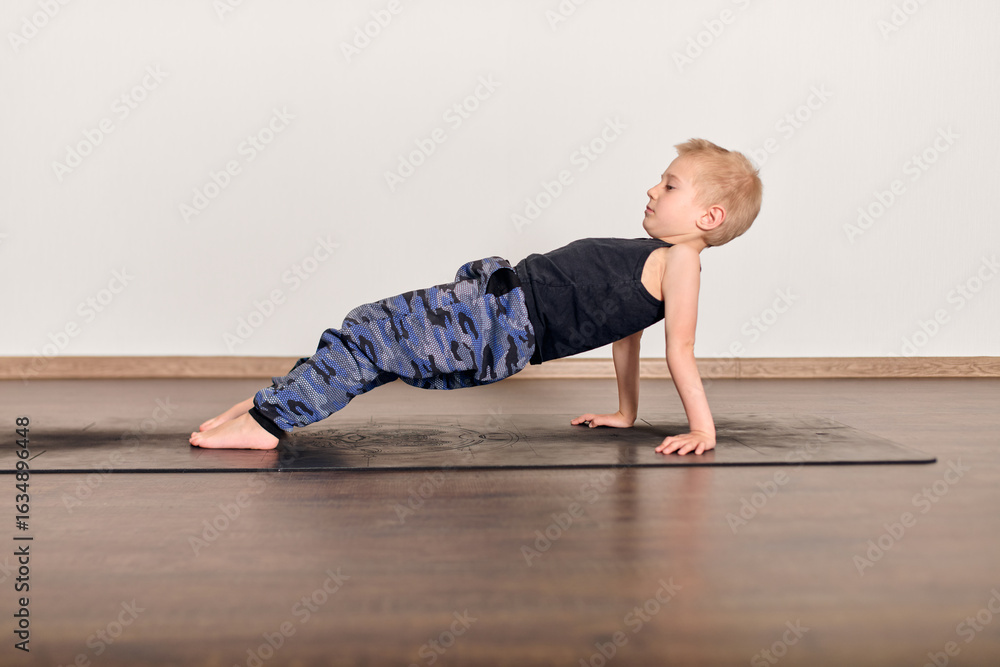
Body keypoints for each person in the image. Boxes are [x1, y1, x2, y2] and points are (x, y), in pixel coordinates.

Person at [189, 138, 762, 456]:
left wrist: (702, 430)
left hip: (500, 323)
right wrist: (626, 413)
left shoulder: (680, 261)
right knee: (373, 340)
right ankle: (273, 404)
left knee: (372, 335)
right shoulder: (655, 257)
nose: (652, 188)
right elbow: (625, 337)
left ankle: (267, 422)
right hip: (494, 309)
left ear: (709, 217)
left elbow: (680, 351)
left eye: (670, 185)